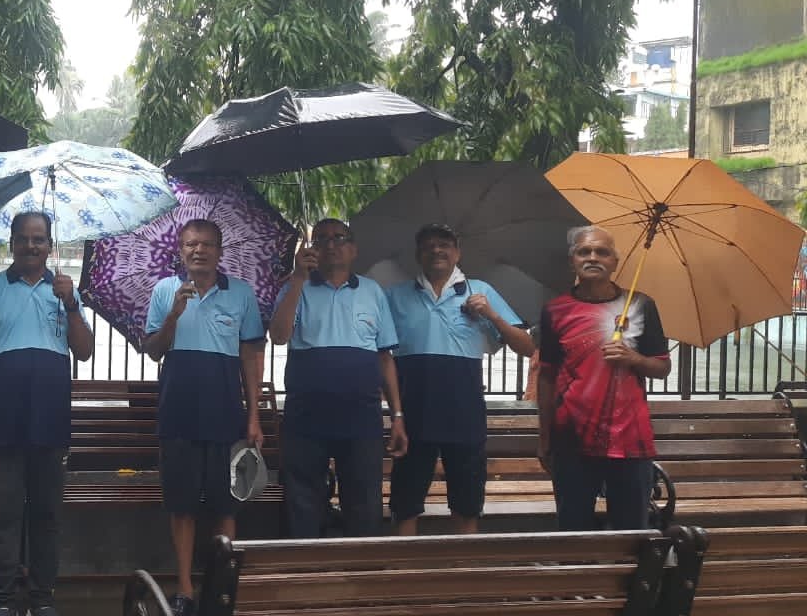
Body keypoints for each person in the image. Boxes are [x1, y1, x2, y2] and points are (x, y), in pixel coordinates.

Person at [0, 211, 94, 616]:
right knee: (5, 513)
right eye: (24, 238)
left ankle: (42, 601)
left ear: (50, 245)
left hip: (50, 420)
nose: (31, 246)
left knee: (47, 514)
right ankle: (3, 601)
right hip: (4, 419)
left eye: (39, 239)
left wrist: (71, 304)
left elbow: (85, 351)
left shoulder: (64, 291)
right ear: (11, 242)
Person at [141, 219, 268, 616]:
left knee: (226, 505)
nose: (199, 251)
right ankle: (184, 590)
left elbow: (251, 356)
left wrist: (253, 417)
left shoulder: (241, 294)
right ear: (180, 250)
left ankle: (220, 587)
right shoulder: (165, 291)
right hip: (179, 414)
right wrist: (174, 315)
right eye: (191, 244)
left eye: (207, 244)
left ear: (219, 251)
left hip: (226, 415)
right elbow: (153, 350)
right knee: (182, 506)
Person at [385, 224, 534, 534]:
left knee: (466, 505)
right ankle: (404, 564)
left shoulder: (480, 292)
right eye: (428, 245)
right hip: (414, 415)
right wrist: (395, 414)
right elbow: (381, 355)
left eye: (444, 244)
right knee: (405, 504)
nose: (436, 250)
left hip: (464, 415)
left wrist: (491, 315)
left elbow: (527, 347)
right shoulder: (395, 296)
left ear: (457, 252)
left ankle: (465, 562)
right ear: (418, 254)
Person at [267, 218, 406, 538]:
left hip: (361, 416)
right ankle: (306, 564)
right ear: (312, 248)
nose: (330, 244)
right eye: (321, 239)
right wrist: (298, 279)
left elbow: (384, 357)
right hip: (306, 415)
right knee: (303, 502)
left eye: (338, 238)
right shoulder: (295, 287)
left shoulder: (372, 291)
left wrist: (397, 415)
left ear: (353, 249)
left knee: (364, 501)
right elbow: (278, 336)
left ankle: (358, 566)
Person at [537, 226, 671, 529]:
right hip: (571, 439)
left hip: (630, 440)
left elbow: (662, 368)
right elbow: (546, 376)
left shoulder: (641, 305)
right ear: (572, 260)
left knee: (631, 533)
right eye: (584, 252)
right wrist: (544, 437)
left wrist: (634, 358)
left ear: (614, 262)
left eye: (602, 252)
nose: (593, 257)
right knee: (572, 530)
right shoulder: (555, 310)